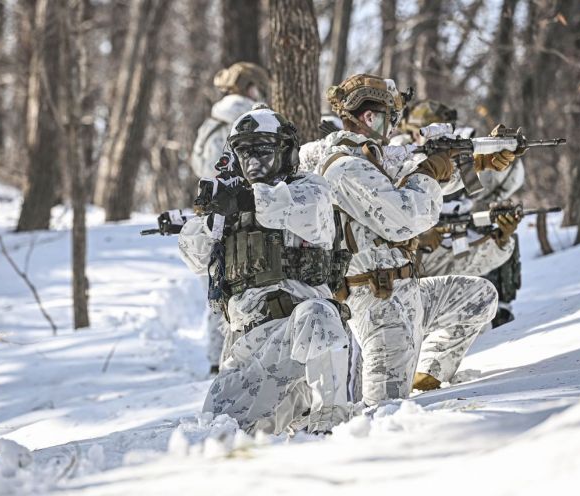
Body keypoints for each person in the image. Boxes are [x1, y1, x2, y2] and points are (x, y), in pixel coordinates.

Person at [311, 74, 511, 402]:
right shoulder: (345, 167)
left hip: (406, 292)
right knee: (383, 413)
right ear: (369, 118)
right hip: (378, 303)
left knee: (479, 296)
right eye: (391, 118)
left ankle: (427, 375)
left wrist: (475, 161)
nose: (395, 127)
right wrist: (430, 171)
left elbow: (414, 182)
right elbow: (404, 218)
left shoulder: (372, 159)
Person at [179, 107, 351, 435]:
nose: (252, 161)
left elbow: (285, 207)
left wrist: (240, 200)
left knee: (318, 313)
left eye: (262, 150)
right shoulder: (231, 203)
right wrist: (214, 219)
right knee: (217, 435)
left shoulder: (309, 190)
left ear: (284, 151)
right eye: (244, 152)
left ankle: (330, 419)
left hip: (297, 341)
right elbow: (194, 255)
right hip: (247, 351)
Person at [401, 100, 526, 327]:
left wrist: (500, 238)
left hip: (445, 242)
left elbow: (461, 265)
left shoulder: (449, 159)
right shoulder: (395, 161)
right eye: (428, 133)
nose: (435, 140)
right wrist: (417, 237)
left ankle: (502, 308)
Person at [190, 62, 271, 373]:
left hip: (211, 210)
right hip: (241, 210)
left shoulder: (211, 120)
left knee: (215, 286)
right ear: (251, 88)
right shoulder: (250, 119)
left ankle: (216, 359)